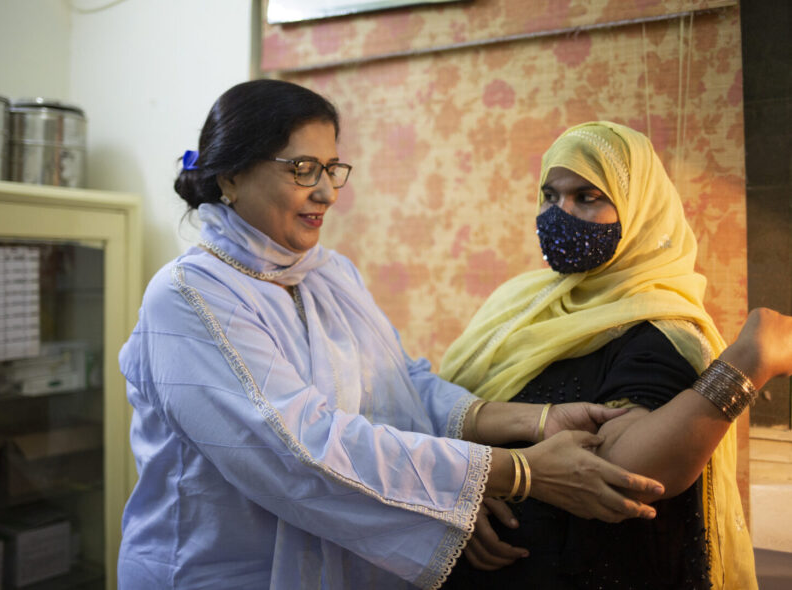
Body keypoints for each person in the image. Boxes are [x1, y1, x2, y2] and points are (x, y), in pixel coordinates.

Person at [117, 82, 790, 590]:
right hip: (222, 572)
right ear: (229, 176)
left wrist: (537, 419)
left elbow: (401, 389)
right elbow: (300, 449)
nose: (326, 192)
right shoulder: (190, 297)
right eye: (303, 170)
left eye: (332, 169)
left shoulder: (324, 275)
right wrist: (513, 475)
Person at [439, 121, 792, 589]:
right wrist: (468, 483)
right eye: (550, 196)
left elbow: (624, 468)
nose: (559, 214)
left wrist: (748, 360)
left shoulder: (659, 328)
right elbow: (448, 407)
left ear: (640, 209)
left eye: (587, 196)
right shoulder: (519, 302)